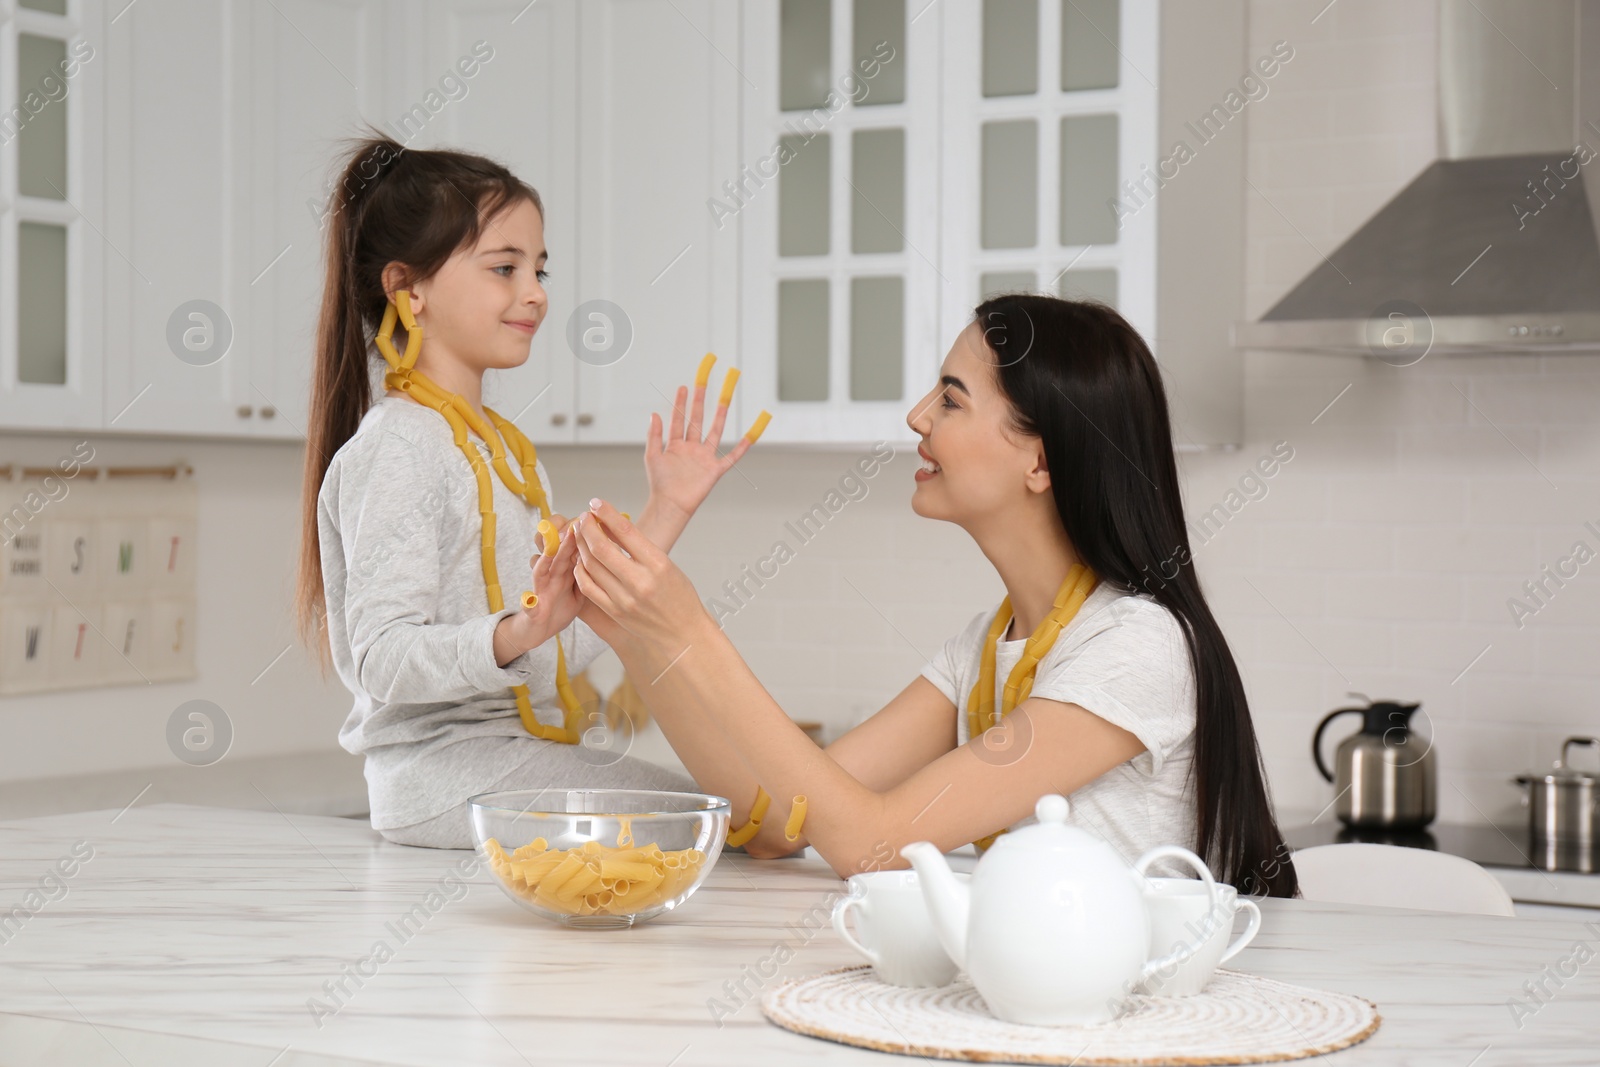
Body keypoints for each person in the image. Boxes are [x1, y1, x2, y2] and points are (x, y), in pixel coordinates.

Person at [567, 294, 1299, 896]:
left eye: (950, 399)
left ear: (1039, 459)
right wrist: (640, 635)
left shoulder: (1136, 646)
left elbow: (871, 843)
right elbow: (772, 827)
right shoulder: (986, 647)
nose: (918, 417)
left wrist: (692, 630)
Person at [293, 133, 760, 849]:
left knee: (729, 821)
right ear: (407, 289)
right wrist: (519, 629)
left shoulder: (505, 453)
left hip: (506, 761)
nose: (535, 294)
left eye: (539, 269)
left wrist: (668, 506)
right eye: (504, 268)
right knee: (719, 826)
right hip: (440, 776)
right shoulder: (397, 449)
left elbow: (553, 649)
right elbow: (382, 660)